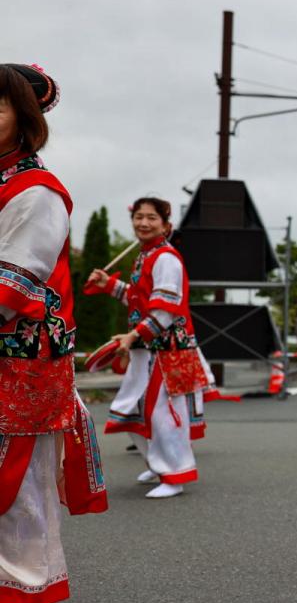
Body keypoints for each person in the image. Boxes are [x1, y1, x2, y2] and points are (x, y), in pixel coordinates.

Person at [0, 63, 106, 603]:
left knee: (18, 473)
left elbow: (16, 280)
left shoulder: (36, 192)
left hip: (21, 355)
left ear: (25, 120)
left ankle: (21, 589)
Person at [88, 197, 209, 499]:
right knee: (130, 409)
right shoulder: (147, 256)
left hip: (168, 352)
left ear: (166, 226)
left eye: (152, 218)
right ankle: (158, 465)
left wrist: (132, 336)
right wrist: (109, 284)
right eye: (139, 217)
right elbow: (139, 299)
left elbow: (165, 310)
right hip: (149, 349)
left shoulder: (167, 259)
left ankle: (175, 474)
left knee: (163, 415)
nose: (143, 223)